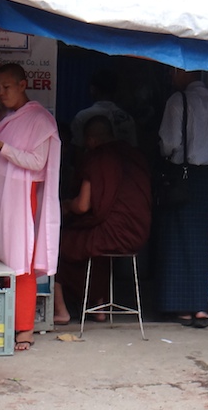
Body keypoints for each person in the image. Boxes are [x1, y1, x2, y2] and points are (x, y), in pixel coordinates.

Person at [0, 63, 61, 351]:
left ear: (23, 85)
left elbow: (38, 162)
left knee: (20, 261)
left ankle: (24, 329)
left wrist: (3, 147)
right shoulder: (7, 118)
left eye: (6, 87)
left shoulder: (40, 119)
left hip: (22, 198)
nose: (1, 92)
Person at [54, 115, 152, 324]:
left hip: (111, 232)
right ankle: (98, 307)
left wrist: (66, 205)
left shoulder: (98, 158)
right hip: (138, 232)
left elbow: (82, 206)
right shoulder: (134, 155)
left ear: (90, 140)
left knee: (56, 247)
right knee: (95, 250)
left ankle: (61, 311)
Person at [156, 68, 208, 329]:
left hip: (182, 174)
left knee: (176, 240)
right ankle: (201, 306)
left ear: (180, 72)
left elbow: (169, 142)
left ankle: (181, 307)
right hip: (206, 177)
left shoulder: (178, 100)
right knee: (201, 241)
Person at [70, 69, 137, 148]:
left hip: (93, 160)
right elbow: (133, 148)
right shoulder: (128, 119)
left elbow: (77, 149)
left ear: (93, 89)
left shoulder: (82, 117)